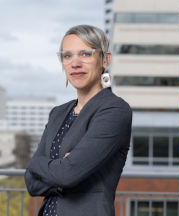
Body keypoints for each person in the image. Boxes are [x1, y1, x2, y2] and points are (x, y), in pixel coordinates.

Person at [24, 24, 132, 216]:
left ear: (105, 59)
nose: (75, 63)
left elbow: (66, 174)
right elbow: (31, 183)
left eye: (85, 54)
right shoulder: (57, 113)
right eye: (67, 56)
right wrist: (60, 172)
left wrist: (38, 164)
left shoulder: (114, 111)